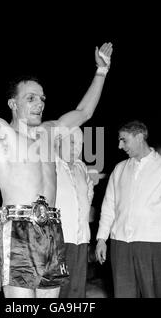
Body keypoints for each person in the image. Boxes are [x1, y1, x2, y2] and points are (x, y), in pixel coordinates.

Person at [0, 0, 113, 298]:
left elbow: (83, 113)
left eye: (42, 98)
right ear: (13, 104)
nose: (40, 103)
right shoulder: (1, 134)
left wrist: (101, 72)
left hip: (52, 228)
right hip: (18, 228)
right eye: (31, 98)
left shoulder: (50, 133)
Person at [95, 120, 161, 298]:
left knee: (153, 295)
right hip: (120, 245)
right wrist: (102, 238)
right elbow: (109, 206)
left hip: (153, 244)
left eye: (124, 140)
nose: (120, 146)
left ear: (139, 137)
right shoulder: (119, 169)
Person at [55, 127, 94, 298]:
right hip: (58, 239)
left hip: (81, 238)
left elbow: (88, 196)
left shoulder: (81, 166)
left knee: (77, 291)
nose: (76, 147)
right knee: (58, 291)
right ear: (58, 141)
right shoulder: (50, 165)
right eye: (72, 142)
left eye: (80, 144)